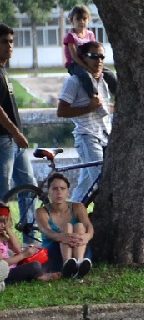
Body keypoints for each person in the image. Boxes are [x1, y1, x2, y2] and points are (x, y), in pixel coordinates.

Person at [56, 41, 111, 204]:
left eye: (102, 56)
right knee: (103, 183)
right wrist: (89, 107)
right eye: (94, 56)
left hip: (104, 136)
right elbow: (61, 111)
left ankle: (68, 221)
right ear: (82, 58)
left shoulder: (103, 81)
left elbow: (105, 108)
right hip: (87, 136)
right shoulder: (74, 81)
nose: (99, 60)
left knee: (85, 187)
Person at [0, 23, 37, 234]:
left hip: (15, 141)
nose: (10, 46)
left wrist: (18, 136)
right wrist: (16, 133)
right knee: (3, 194)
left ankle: (30, 240)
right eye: (4, 42)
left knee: (29, 187)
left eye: (12, 42)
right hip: (4, 139)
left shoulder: (3, 71)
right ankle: (2, 246)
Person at [35, 174, 94, 279]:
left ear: (68, 192)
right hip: (54, 251)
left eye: (62, 188)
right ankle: (67, 265)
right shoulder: (41, 212)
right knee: (67, 228)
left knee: (80, 226)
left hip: (78, 247)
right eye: (55, 189)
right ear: (49, 191)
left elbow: (88, 226)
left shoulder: (78, 207)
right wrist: (62, 237)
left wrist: (87, 236)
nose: (59, 192)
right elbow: (46, 230)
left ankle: (78, 264)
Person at [62, 5, 117, 99]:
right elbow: (74, 57)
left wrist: (98, 67)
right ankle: (94, 99)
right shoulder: (71, 36)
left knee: (109, 74)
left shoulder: (90, 34)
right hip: (75, 65)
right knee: (86, 76)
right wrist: (89, 69)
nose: (82, 22)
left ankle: (118, 95)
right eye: (78, 19)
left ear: (88, 19)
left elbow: (95, 52)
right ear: (72, 21)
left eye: (84, 18)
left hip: (90, 62)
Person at [1, 202, 60, 284]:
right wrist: (23, 255)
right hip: (4, 275)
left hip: (12, 267)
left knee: (42, 258)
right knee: (35, 266)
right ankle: (40, 276)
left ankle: (39, 273)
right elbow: (2, 265)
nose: (2, 225)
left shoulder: (3, 237)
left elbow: (17, 249)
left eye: (5, 222)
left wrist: (9, 230)